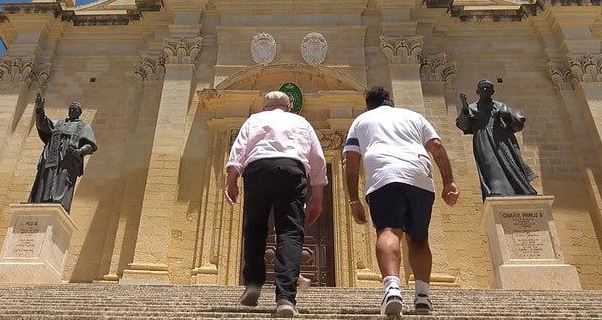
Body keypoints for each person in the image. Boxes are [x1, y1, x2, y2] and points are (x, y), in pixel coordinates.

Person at [343, 87, 459, 316]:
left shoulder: (361, 121)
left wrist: (353, 199)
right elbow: (437, 147)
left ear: (368, 104)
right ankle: (422, 296)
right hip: (420, 177)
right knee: (419, 238)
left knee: (388, 231)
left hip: (384, 176)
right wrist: (449, 182)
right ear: (390, 101)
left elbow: (352, 159)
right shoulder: (414, 117)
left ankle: (392, 289)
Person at [224, 91, 327, 317]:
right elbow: (317, 158)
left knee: (255, 227)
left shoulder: (254, 120)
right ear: (288, 106)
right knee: (290, 232)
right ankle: (285, 298)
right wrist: (317, 195)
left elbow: (239, 150)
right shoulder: (301, 122)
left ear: (265, 107)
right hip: (291, 169)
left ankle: (253, 284)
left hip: (257, 169)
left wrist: (231, 181)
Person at [456, 79, 537, 199]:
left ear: (493, 91)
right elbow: (463, 126)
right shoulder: (471, 108)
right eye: (482, 88)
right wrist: (465, 110)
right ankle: (496, 189)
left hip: (502, 139)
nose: (485, 89)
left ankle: (522, 189)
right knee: (490, 165)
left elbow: (518, 126)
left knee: (510, 163)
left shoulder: (501, 106)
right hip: (484, 141)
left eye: (488, 88)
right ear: (477, 91)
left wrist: (508, 115)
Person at [28, 94, 97, 213]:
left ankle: (58, 202)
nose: (72, 111)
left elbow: (90, 145)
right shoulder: (58, 123)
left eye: (74, 109)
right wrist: (39, 109)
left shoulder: (84, 127)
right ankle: (42, 200)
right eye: (70, 109)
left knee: (63, 180)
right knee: (47, 178)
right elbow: (44, 124)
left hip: (68, 159)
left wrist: (80, 151)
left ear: (79, 112)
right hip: (52, 156)